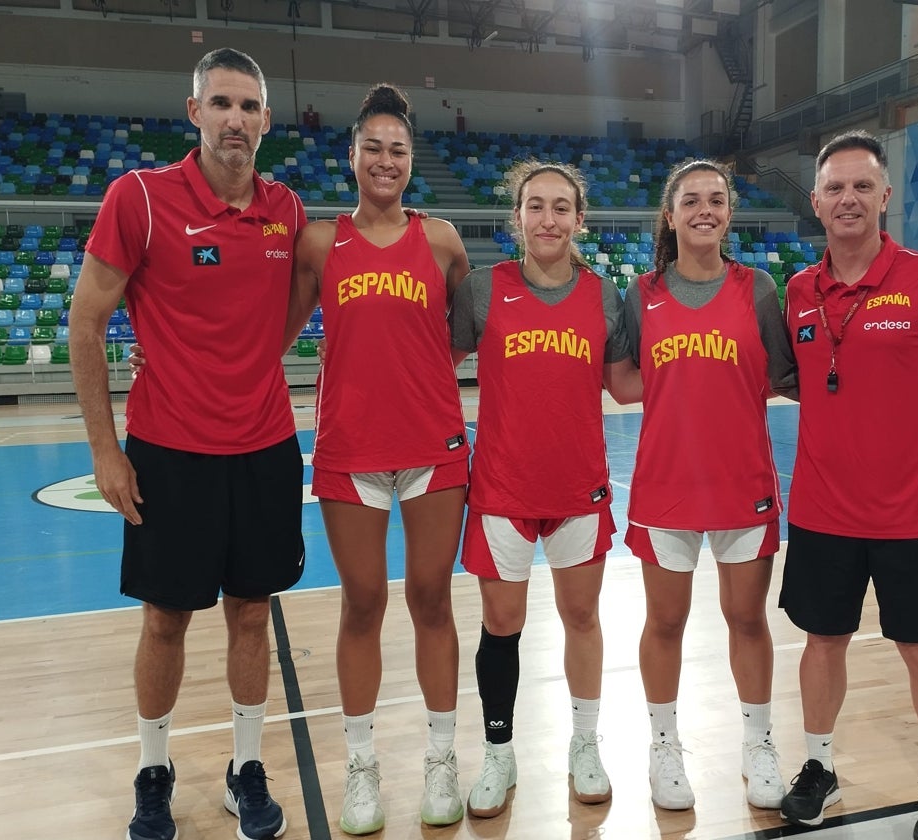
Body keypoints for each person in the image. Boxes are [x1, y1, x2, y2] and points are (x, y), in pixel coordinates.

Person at [69, 47, 303, 840]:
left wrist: (247, 361)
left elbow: (290, 310)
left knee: (250, 614)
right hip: (168, 454)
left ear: (266, 122)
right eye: (222, 103)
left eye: (249, 107)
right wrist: (107, 450)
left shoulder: (287, 210)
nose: (236, 119)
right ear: (195, 112)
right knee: (165, 621)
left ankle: (245, 768)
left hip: (266, 449)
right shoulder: (137, 199)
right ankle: (153, 768)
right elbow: (87, 321)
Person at [777, 129, 918, 840]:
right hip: (821, 510)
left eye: (862, 186)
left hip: (915, 514)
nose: (848, 199)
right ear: (815, 201)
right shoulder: (799, 292)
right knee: (821, 642)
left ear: (885, 196)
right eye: (835, 187)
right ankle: (819, 766)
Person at [284, 82, 470, 836]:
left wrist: (415, 373)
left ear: (410, 160)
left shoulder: (443, 241)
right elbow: (276, 331)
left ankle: (440, 758)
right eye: (373, 148)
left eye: (398, 149)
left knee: (431, 597)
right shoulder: (322, 244)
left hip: (432, 444)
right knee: (363, 603)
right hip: (350, 448)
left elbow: (460, 332)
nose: (385, 160)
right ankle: (361, 766)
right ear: (351, 156)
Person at [449, 160, 641, 818]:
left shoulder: (602, 295)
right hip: (501, 489)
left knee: (582, 618)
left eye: (562, 207)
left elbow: (625, 385)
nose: (549, 219)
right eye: (536, 206)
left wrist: (714, 364)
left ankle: (584, 744)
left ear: (579, 219)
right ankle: (498, 754)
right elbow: (428, 366)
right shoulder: (483, 289)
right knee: (501, 625)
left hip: (577, 489)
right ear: (518, 218)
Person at [622, 159, 798, 813]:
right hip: (665, 487)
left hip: (742, 485)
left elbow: (787, 376)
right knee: (664, 621)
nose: (704, 209)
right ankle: (663, 746)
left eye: (716, 199)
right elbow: (620, 380)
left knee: (747, 618)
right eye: (690, 200)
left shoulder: (759, 291)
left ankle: (758, 745)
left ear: (729, 212)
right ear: (670, 215)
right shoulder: (642, 295)